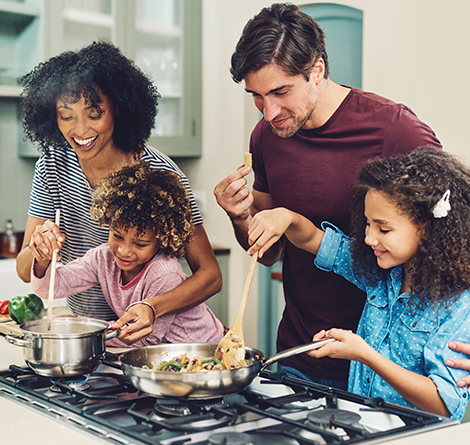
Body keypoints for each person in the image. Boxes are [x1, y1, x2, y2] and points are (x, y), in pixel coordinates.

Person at [214, 3, 441, 389]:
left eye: (281, 91)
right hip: (298, 357)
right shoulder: (266, 137)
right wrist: (241, 217)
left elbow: (455, 237)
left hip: (388, 372)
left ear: (316, 70)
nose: (269, 112)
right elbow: (270, 253)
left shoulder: (394, 130)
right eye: (256, 96)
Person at [16, 41, 222, 345]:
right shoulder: (52, 165)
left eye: (94, 112)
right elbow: (25, 270)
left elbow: (210, 276)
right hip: (90, 334)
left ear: (118, 109)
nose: (80, 129)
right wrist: (40, 251)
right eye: (66, 115)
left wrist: (152, 307)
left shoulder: (160, 175)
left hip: (143, 341)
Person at [247, 148, 470, 420]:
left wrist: (365, 354)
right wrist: (286, 217)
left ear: (425, 228)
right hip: (364, 425)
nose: (369, 238)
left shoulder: (457, 303)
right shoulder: (379, 272)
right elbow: (315, 240)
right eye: (367, 224)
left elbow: (443, 402)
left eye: (383, 229)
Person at [31, 162, 224, 347]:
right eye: (117, 236)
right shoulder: (103, 258)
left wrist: (78, 327)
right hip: (162, 351)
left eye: (140, 244)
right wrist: (43, 259)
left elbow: (143, 338)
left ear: (162, 239)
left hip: (201, 347)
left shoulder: (164, 274)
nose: (124, 251)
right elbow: (50, 288)